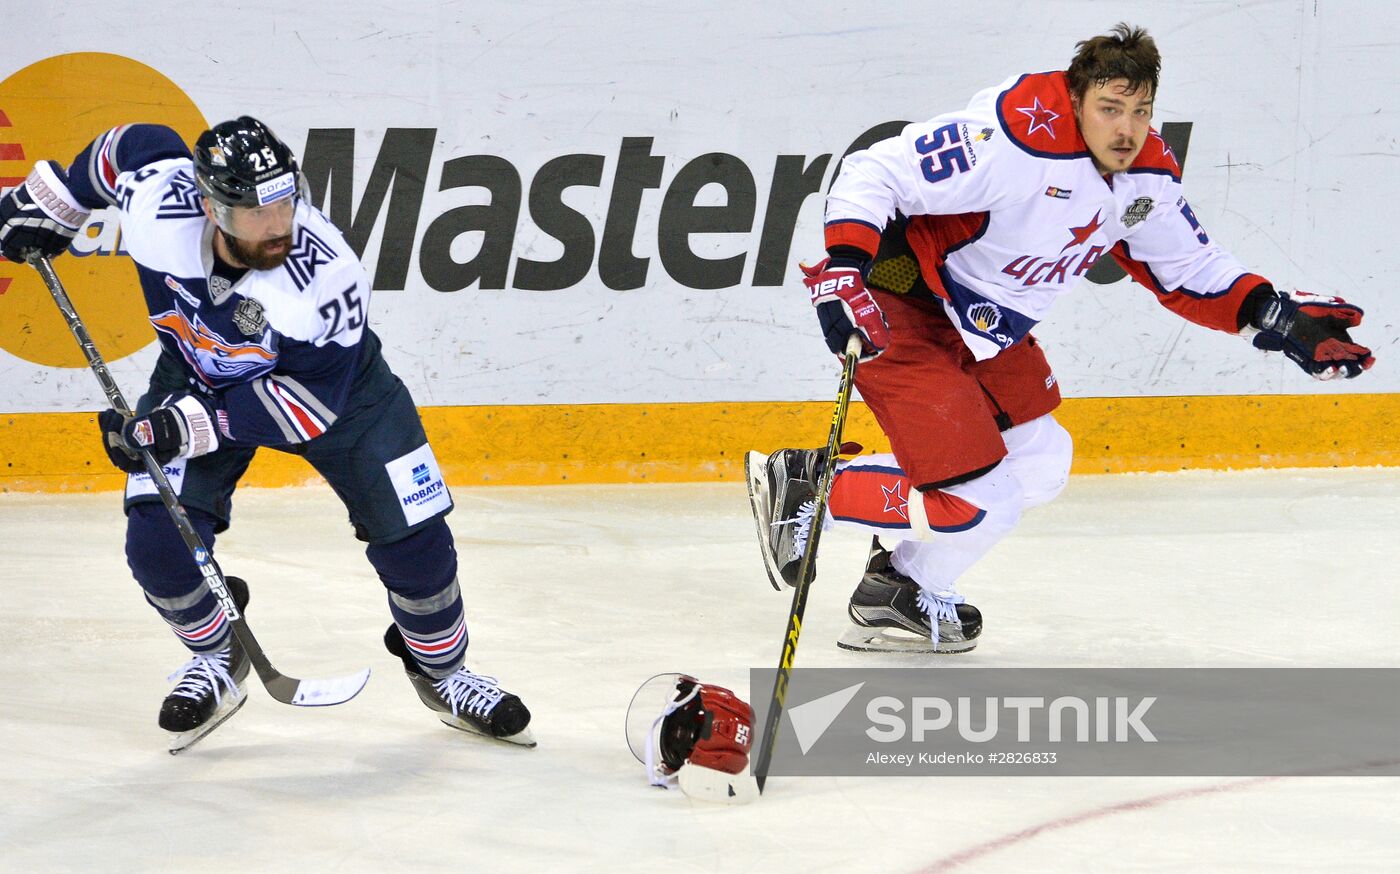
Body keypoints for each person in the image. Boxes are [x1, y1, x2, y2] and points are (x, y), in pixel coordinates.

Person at [746, 24, 1374, 653]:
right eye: (1109, 109)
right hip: (899, 295)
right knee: (978, 502)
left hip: (981, 323)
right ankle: (813, 487)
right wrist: (843, 270)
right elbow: (874, 169)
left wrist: (1280, 316)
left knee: (1044, 462)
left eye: (1140, 111)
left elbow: (1189, 270)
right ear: (1076, 102)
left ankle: (900, 587)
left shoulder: (1144, 178)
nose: (1126, 130)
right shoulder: (1016, 134)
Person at [0, 117, 534, 748]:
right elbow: (134, 145)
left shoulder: (323, 275)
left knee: (418, 547)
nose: (278, 223)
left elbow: (310, 406)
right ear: (209, 205)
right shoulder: (160, 208)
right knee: (158, 550)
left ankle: (444, 672)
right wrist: (60, 196)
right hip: (197, 371)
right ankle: (220, 658)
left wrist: (187, 427)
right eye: (256, 211)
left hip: (342, 393)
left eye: (285, 200)